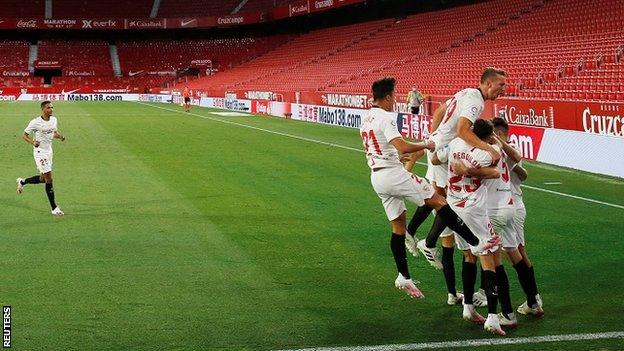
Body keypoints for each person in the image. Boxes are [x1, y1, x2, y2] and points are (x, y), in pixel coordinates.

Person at [361, 77, 500, 299]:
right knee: (439, 201)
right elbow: (404, 145)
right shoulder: (386, 118)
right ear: (387, 97)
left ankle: (403, 276)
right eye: (395, 96)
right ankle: (476, 242)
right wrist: (426, 144)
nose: (395, 99)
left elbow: (382, 148)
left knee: (398, 227)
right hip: (393, 175)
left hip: (377, 177)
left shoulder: (367, 118)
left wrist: (399, 154)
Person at [407, 67, 507, 269]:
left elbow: (440, 110)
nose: (504, 89)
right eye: (501, 84)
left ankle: (419, 236)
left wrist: (433, 136)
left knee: (443, 197)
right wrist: (489, 149)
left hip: (439, 146)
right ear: (488, 83)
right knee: (448, 199)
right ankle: (428, 242)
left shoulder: (465, 92)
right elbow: (462, 130)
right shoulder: (475, 100)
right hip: (443, 149)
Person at [432, 119, 513, 336]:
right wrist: (473, 163)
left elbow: (434, 158)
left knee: (468, 255)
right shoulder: (486, 152)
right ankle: (493, 318)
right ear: (486, 137)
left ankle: (468, 307)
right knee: (489, 259)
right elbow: (496, 163)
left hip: (453, 206)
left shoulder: (455, 143)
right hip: (473, 209)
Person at [491, 117, 543, 317]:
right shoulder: (499, 149)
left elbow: (522, 174)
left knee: (516, 252)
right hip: (508, 205)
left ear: (502, 133)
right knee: (512, 252)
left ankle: (533, 299)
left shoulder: (509, 149)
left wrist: (517, 168)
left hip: (511, 205)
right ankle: (533, 299)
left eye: (495, 133)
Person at [16, 101, 65, 216]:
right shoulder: (35, 122)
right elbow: (24, 135)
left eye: (52, 107)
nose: (51, 109)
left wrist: (61, 136)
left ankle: (23, 181)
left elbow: (53, 133)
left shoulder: (54, 120)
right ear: (43, 109)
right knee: (49, 178)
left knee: (43, 179)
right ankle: (54, 208)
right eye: (49, 108)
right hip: (40, 152)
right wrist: (33, 142)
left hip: (49, 151)